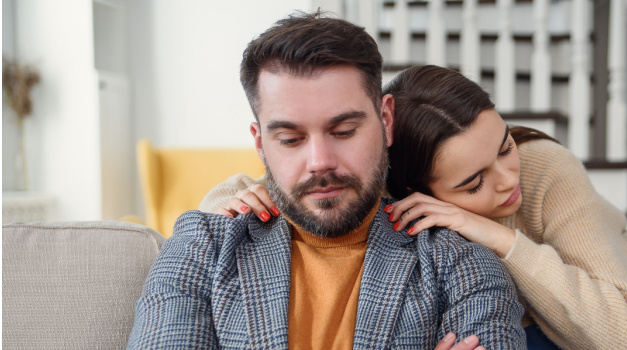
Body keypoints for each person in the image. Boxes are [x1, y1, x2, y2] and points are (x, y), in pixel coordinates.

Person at [127, 12, 525, 350]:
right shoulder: (201, 249)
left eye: (344, 131)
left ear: (386, 121)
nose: (320, 162)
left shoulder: (461, 265)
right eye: (291, 139)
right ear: (260, 143)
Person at [202, 65, 627, 350]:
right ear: (414, 193)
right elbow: (247, 191)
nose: (507, 180)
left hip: (593, 285)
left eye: (504, 147)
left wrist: (497, 235)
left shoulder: (542, 168)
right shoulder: (386, 197)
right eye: (474, 182)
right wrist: (231, 201)